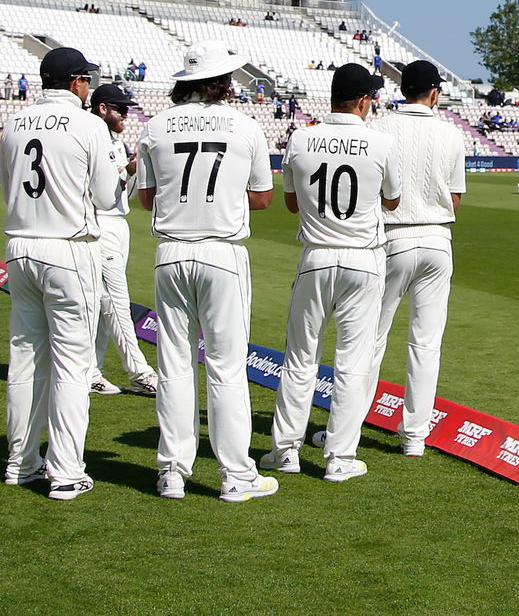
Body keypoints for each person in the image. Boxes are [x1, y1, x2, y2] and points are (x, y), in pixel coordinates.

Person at [137, 41, 276, 502]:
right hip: (221, 252)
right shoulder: (245, 126)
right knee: (226, 366)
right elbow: (261, 198)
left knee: (174, 364)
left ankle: (172, 471)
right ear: (220, 82)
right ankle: (236, 475)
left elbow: (145, 197)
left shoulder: (155, 126)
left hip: (171, 251)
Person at [260, 63, 400, 483]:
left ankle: (285, 450)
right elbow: (392, 202)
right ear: (362, 101)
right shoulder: (381, 143)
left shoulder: (301, 137)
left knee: (301, 356)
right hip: (363, 259)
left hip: (316, 256)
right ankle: (339, 457)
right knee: (352, 361)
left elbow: (289, 204)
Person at [0, 46, 115, 499]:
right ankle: (65, 469)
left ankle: (20, 462)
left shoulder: (14, 121)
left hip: (20, 245)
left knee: (25, 357)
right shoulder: (89, 124)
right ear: (77, 83)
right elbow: (105, 197)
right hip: (68, 247)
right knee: (71, 363)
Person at [367, 60, 465, 457]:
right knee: (425, 343)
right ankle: (414, 438)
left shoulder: (378, 128)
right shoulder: (451, 133)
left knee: (370, 339)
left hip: (391, 236)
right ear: (434, 92)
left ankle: (348, 429)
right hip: (438, 239)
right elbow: (455, 199)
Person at [87, 82, 158, 398]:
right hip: (99, 223)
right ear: (103, 109)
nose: (126, 115)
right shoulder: (93, 137)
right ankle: (139, 372)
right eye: (121, 109)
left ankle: (92, 369)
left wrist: (130, 171)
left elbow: (123, 194)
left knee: (103, 303)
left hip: (118, 221)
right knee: (115, 300)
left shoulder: (114, 140)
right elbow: (97, 192)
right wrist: (123, 172)